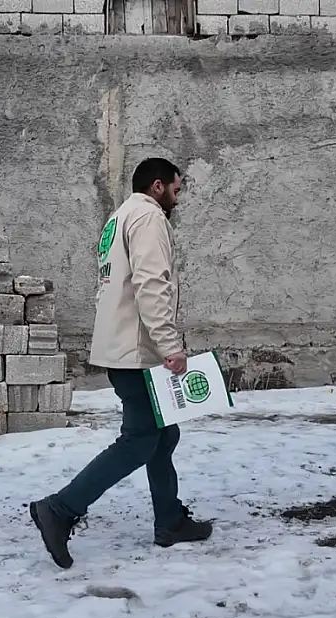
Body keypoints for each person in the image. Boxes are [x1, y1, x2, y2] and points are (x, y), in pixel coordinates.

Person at [28, 158, 212, 569]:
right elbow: (151, 284)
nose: (178, 200)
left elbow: (109, 288)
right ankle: (59, 509)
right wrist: (170, 344)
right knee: (140, 440)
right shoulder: (147, 217)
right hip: (138, 351)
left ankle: (170, 521)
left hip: (124, 345)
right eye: (177, 191)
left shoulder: (118, 218)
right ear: (159, 186)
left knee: (163, 436)